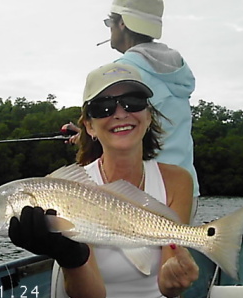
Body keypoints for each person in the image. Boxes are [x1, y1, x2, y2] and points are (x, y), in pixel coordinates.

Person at [9, 62, 199, 298]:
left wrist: (174, 282)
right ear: (89, 126)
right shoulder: (63, 188)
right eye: (103, 107)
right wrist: (68, 255)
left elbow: (168, 282)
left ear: (148, 117)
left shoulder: (177, 180)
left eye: (133, 102)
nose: (120, 113)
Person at [67, 0, 200, 218]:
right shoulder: (177, 72)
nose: (118, 111)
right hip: (184, 191)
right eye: (105, 108)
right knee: (174, 251)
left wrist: (92, 133)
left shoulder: (124, 73)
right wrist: (86, 133)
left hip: (139, 189)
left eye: (110, 22)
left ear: (122, 24)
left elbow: (123, 128)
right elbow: (140, 125)